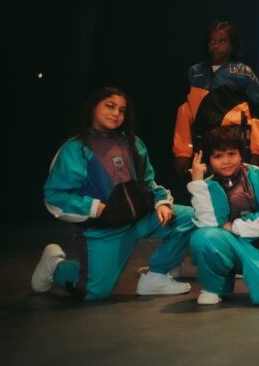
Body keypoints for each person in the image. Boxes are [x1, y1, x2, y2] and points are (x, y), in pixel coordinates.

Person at [33, 88, 194, 300]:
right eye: (110, 106)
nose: (116, 113)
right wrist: (92, 207)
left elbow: (149, 182)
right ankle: (55, 265)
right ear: (93, 108)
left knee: (191, 218)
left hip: (141, 220)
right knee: (94, 292)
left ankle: (156, 276)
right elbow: (55, 197)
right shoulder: (75, 149)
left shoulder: (133, 143)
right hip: (105, 230)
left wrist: (162, 203)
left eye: (122, 110)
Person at [186, 127, 259, 306]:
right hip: (231, 245)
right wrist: (197, 183)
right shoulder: (206, 186)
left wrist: (235, 226)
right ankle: (214, 288)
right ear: (208, 160)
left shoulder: (257, 176)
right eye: (218, 156)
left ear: (240, 154)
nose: (226, 161)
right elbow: (209, 224)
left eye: (231, 154)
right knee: (204, 237)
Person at [172, 21, 259, 178]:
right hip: (203, 146)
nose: (216, 46)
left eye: (222, 41)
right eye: (212, 41)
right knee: (205, 189)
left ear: (232, 45)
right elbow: (184, 114)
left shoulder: (243, 72)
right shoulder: (194, 73)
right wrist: (183, 152)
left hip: (235, 144)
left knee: (238, 189)